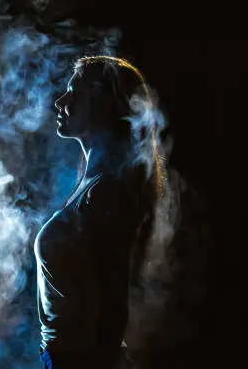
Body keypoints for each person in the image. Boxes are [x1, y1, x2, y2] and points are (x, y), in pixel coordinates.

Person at [34, 55, 165, 368]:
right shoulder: (94, 183)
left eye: (74, 92)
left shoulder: (107, 192)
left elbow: (113, 301)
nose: (61, 101)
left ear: (103, 105)